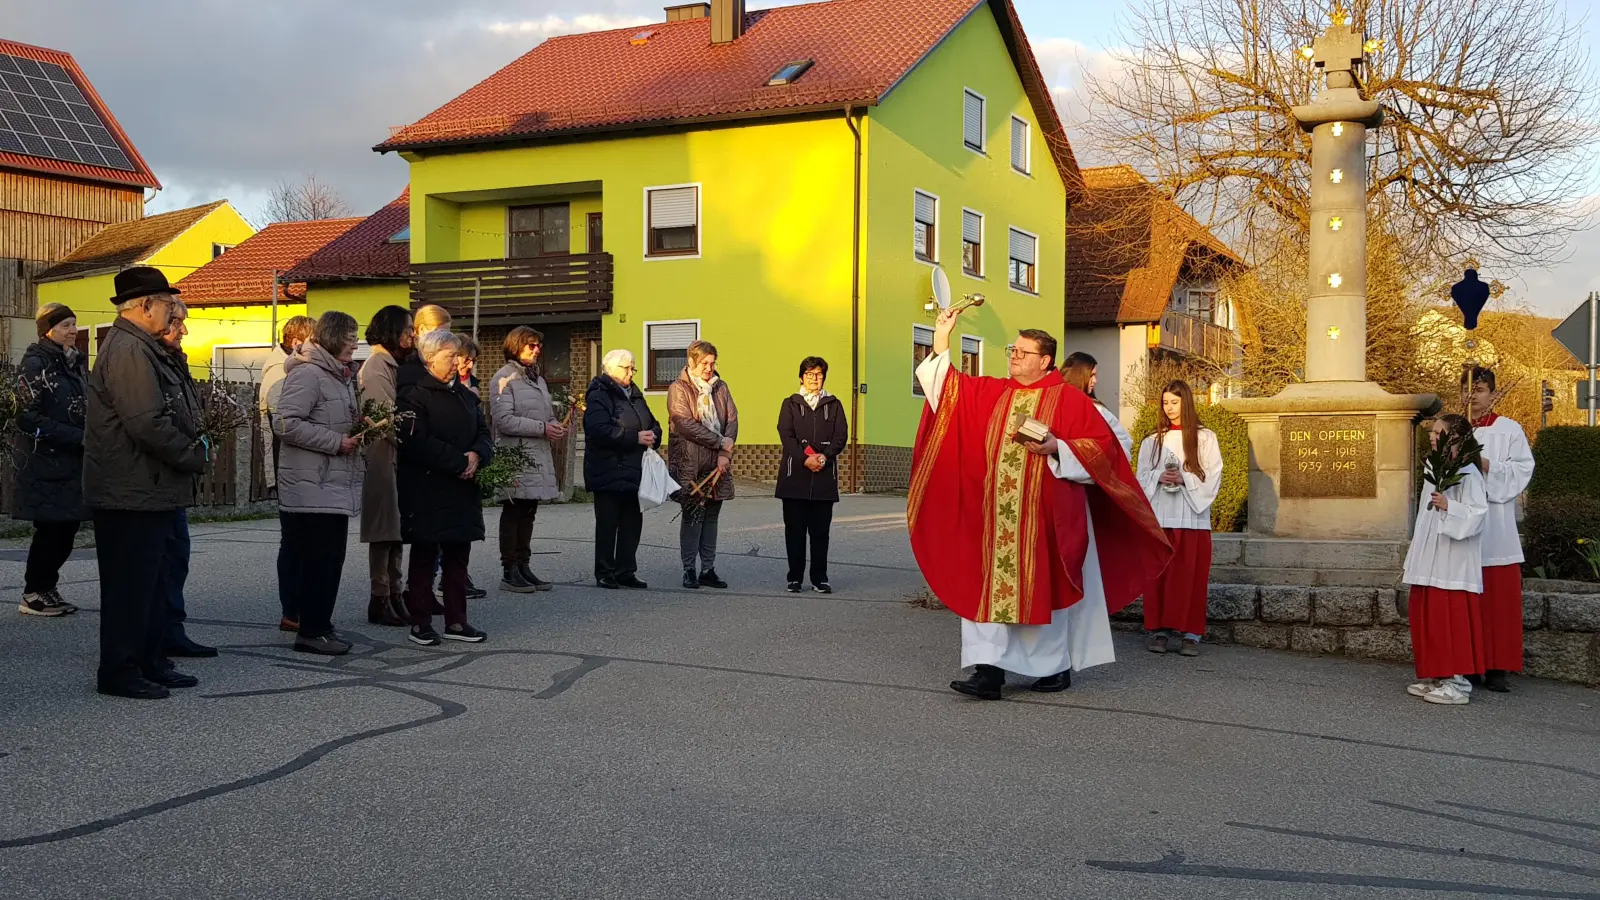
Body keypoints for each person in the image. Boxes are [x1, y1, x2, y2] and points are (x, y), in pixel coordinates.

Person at [911, 309, 1170, 700]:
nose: (1014, 356)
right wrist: (942, 336)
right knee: (985, 587)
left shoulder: (1070, 400)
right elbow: (946, 390)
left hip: (1045, 519)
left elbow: (1103, 451)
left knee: (1042, 588)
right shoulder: (993, 392)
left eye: (1023, 351)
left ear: (1045, 360)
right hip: (994, 519)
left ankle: (1052, 668)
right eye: (1012, 349)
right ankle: (988, 671)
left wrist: (1058, 447)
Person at [84, 267, 209, 700]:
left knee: (154, 583)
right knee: (129, 588)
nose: (172, 311)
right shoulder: (128, 351)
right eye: (166, 303)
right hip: (128, 491)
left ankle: (151, 661)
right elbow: (147, 423)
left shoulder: (147, 348)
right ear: (144, 306)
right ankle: (120, 671)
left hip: (149, 489)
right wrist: (195, 455)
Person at [275, 312, 364, 656]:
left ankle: (320, 624)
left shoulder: (339, 376)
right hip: (313, 483)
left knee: (329, 560)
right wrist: (335, 441)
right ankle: (311, 631)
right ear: (333, 337)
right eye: (352, 336)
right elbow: (285, 422)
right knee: (321, 560)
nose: (356, 343)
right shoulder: (309, 374)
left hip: (329, 481)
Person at [398, 329, 493, 646]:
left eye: (458, 355)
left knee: (458, 557)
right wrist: (457, 462)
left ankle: (457, 620)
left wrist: (477, 456)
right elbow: (416, 442)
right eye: (450, 356)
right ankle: (421, 623)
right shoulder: (413, 396)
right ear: (429, 358)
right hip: (428, 487)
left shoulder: (466, 395)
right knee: (425, 556)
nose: (457, 362)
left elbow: (483, 432)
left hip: (462, 489)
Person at [1401, 413, 1490, 706]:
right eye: (1432, 432)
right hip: (1431, 553)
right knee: (1429, 616)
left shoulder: (1468, 471)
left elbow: (1477, 514)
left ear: (1455, 438)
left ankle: (1458, 682)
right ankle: (1437, 675)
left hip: (1453, 559)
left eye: (1438, 432)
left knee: (1450, 618)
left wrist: (1449, 505)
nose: (1432, 436)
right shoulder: (1434, 468)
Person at [1135, 380, 1224, 656]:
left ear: (1186, 402)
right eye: (1165, 403)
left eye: (1175, 402)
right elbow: (1140, 475)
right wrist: (1158, 476)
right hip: (1161, 516)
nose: (1169, 408)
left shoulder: (1205, 437)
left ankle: (1191, 633)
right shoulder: (1153, 439)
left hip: (1192, 519)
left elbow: (1213, 474)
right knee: (1160, 576)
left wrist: (1184, 478)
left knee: (1190, 576)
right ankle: (1159, 630)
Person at [152, 300, 217, 660]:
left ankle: (172, 629)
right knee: (162, 560)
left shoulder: (175, 358)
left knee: (178, 556)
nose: (185, 331)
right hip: (156, 478)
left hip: (173, 481)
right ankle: (160, 634)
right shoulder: (148, 359)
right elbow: (151, 421)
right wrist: (190, 452)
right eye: (179, 323)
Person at [14, 303, 88, 617]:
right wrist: (77, 436)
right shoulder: (36, 363)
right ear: (48, 330)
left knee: (67, 528)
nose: (72, 331)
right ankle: (33, 593)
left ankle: (46, 587)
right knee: (51, 530)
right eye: (65, 326)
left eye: (73, 324)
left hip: (71, 461)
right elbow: (26, 417)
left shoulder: (72, 364)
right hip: (46, 460)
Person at [1466, 367, 1534, 692]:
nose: (1473, 396)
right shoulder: (1453, 429)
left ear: (1492, 394)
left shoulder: (1508, 429)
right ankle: (1468, 665)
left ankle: (1497, 667)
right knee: (1468, 599)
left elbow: (1523, 468)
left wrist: (1487, 465)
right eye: (1469, 389)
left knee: (1499, 601)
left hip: (1497, 525)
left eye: (1479, 389)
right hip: (1463, 528)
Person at [489, 326, 565, 592]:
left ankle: (524, 565)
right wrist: (542, 428)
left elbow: (545, 413)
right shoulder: (503, 378)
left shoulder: (537, 379)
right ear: (515, 346)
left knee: (529, 511)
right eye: (530, 345)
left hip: (536, 453)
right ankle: (509, 570)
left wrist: (553, 424)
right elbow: (504, 420)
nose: (536, 350)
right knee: (514, 510)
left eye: (537, 345)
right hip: (515, 454)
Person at [584, 349, 662, 590]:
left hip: (634, 469)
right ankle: (605, 571)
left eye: (633, 368)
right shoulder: (599, 394)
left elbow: (654, 422)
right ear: (611, 369)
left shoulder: (635, 395)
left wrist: (654, 436)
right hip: (607, 468)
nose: (631, 372)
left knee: (631, 523)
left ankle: (626, 570)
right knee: (608, 524)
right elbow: (598, 430)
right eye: (627, 368)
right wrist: (634, 437)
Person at [357, 305, 413, 627]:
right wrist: (412, 441)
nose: (411, 336)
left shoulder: (393, 364)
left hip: (393, 455)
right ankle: (380, 597)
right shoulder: (378, 364)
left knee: (395, 531)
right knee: (384, 530)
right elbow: (383, 417)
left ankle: (395, 592)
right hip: (381, 456)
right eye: (406, 330)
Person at [667, 340, 739, 590]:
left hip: (717, 462)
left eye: (713, 362)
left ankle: (708, 568)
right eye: (705, 363)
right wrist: (720, 442)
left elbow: (732, 420)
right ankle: (689, 569)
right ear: (691, 362)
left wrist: (724, 454)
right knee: (693, 516)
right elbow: (685, 424)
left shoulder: (721, 387)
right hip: (690, 462)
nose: (710, 367)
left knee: (712, 517)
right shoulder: (679, 388)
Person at [775, 356, 847, 594]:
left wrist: (824, 457)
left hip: (824, 479)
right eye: (809, 374)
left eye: (818, 374)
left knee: (820, 533)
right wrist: (805, 458)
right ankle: (794, 578)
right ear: (801, 377)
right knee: (794, 531)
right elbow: (786, 435)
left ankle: (820, 578)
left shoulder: (834, 404)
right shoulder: (790, 403)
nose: (814, 379)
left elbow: (840, 436)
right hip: (795, 476)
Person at [259, 315, 316, 497]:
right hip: (288, 463)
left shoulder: (293, 368)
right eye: (314, 342)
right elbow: (284, 423)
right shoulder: (278, 372)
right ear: (296, 343)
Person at [1062, 351, 1133, 458]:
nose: (1095, 381)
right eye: (1091, 376)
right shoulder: (1056, 402)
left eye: (1095, 375)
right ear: (1078, 375)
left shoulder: (1097, 410)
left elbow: (1123, 440)